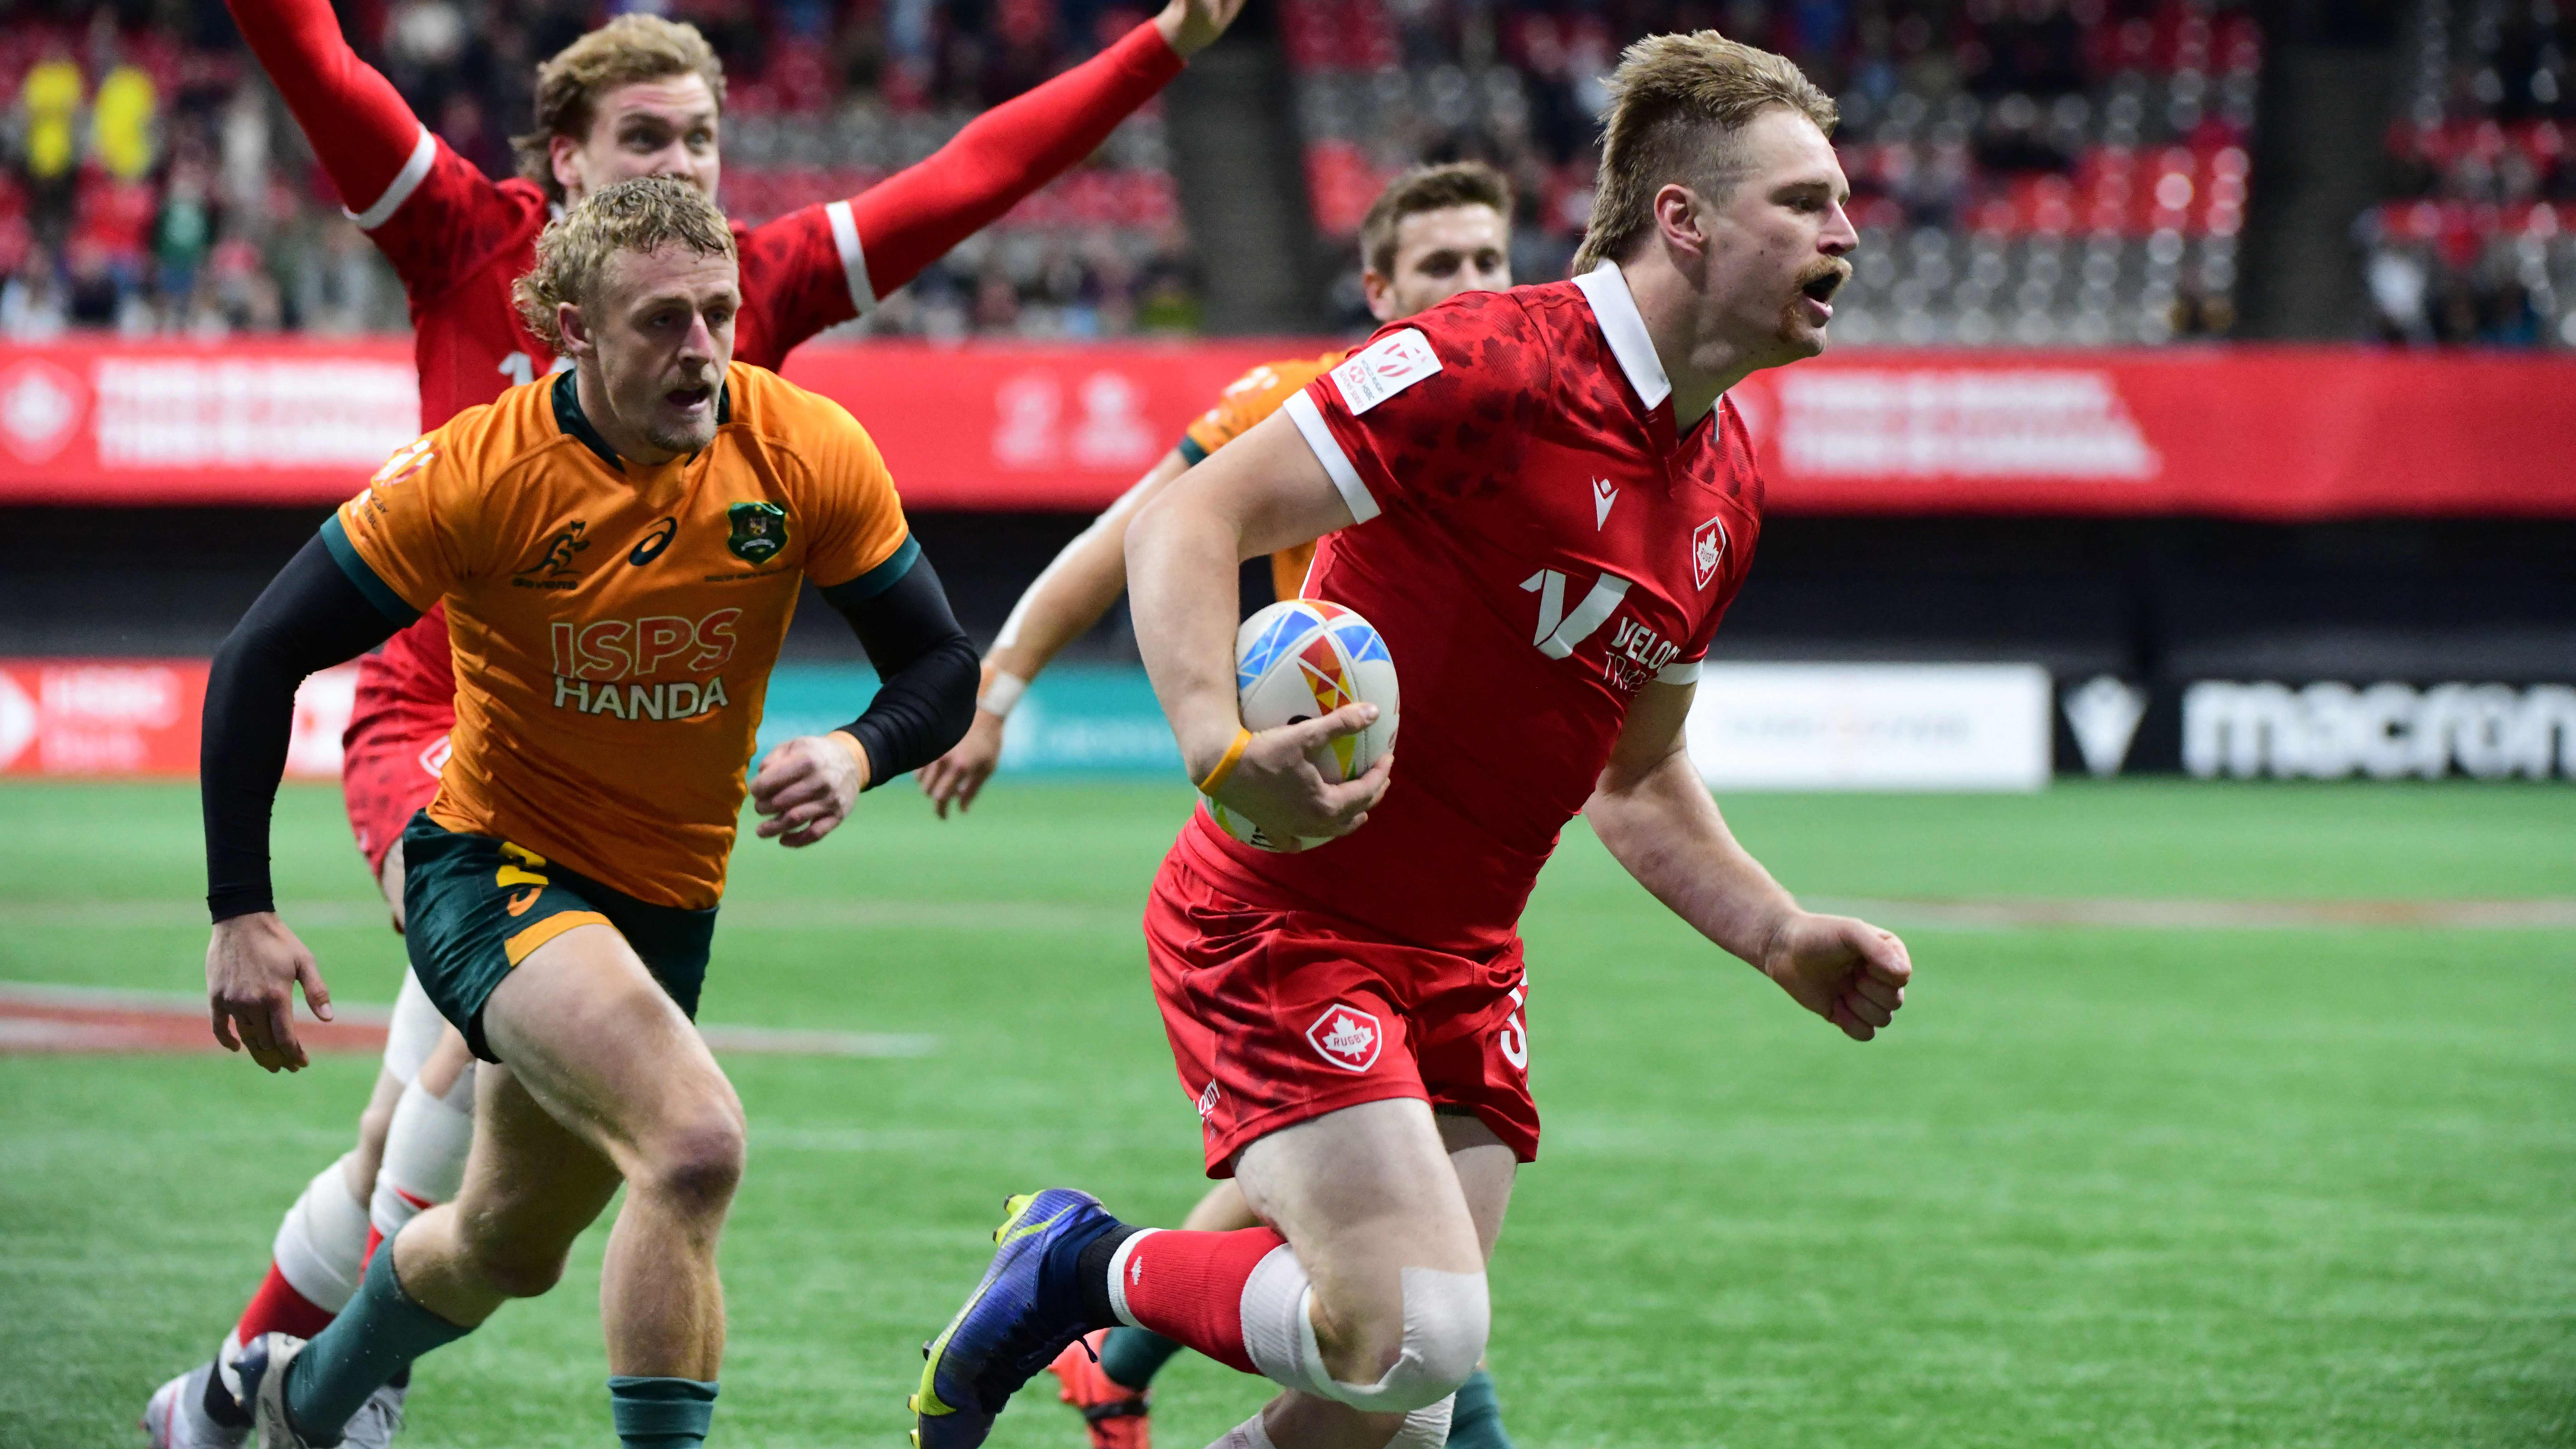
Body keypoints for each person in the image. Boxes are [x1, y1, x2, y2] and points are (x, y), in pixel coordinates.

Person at [145, 0, 1244, 1440]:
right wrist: (240, 903)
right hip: (447, 748)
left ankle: (271, 1397)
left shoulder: (760, 340)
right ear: (566, 172)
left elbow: (974, 175)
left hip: (658, 864)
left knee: (495, 1238)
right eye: (644, 139)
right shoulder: (469, 262)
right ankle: (311, 1397)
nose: (682, 174)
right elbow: (315, 63)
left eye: (702, 142)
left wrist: (1158, 45)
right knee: (668, 1134)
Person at [907, 32, 1912, 1449]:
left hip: (1465, 964)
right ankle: (1070, 1263)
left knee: (1390, 1417)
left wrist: (1780, 936)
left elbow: (1634, 775)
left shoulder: (1726, 483)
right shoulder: (1489, 364)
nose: (1847, 230)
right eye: (1805, 200)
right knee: (1414, 1337)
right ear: (1683, 218)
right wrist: (1209, 739)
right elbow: (1189, 519)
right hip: (1285, 924)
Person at [198, 176, 977, 1449]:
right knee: (695, 1146)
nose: (703, 352)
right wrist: (241, 908)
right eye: (663, 321)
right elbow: (258, 660)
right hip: (491, 871)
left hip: (664, 904)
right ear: (569, 328)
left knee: (506, 1245)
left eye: (719, 315)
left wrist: (856, 752)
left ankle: (297, 1401)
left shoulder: (802, 447)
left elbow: (943, 668)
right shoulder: (476, 474)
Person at [914, 160, 1518, 1449]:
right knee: (1421, 1315)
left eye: (1490, 261)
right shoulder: (1294, 408)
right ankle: (1097, 1323)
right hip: (1296, 864)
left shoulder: (1525, 426)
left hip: (1443, 884)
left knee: (1351, 1237)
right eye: (1441, 266)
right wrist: (1001, 686)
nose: (1472, 287)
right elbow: (1131, 536)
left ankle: (1103, 1354)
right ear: (1379, 289)